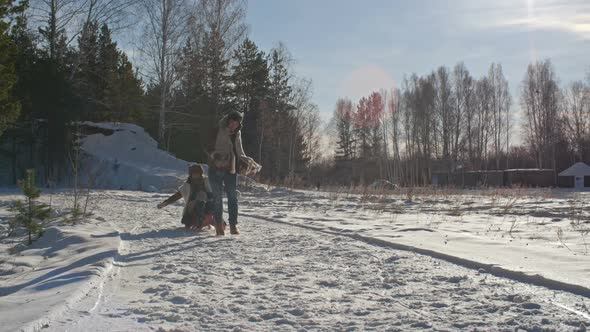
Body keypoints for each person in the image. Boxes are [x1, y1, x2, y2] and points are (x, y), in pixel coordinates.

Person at [208, 111, 259, 236]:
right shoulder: (218, 129)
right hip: (215, 168)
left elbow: (239, 151)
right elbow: (207, 146)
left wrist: (249, 162)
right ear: (227, 120)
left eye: (236, 123)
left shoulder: (238, 133)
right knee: (217, 198)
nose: (233, 125)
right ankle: (219, 226)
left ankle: (233, 225)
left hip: (230, 169)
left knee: (232, 197)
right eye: (231, 122)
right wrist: (215, 155)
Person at [157, 164, 214, 231]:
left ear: (201, 173)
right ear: (191, 174)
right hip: (192, 207)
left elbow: (212, 195)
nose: (196, 175)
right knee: (200, 199)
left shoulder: (206, 181)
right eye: (194, 173)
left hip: (207, 207)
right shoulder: (187, 185)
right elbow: (177, 196)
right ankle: (199, 223)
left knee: (203, 196)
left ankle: (209, 221)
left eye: (197, 173)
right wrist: (165, 203)